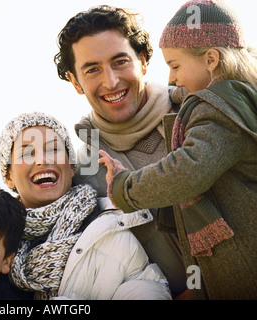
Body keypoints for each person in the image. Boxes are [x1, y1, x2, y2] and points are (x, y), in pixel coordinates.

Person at [99, 0, 257, 299]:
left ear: (211, 59)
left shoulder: (219, 109)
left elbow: (186, 173)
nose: (171, 78)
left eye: (175, 65)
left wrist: (123, 187)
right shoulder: (242, 98)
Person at [54, 5, 188, 298]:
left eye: (120, 61)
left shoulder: (199, 116)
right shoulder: (82, 168)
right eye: (92, 69)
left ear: (142, 61)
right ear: (75, 81)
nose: (111, 81)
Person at [0, 111, 171, 300]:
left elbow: (146, 288)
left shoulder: (109, 227)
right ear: (8, 177)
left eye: (53, 149)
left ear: (72, 166)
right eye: (27, 153)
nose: (42, 160)